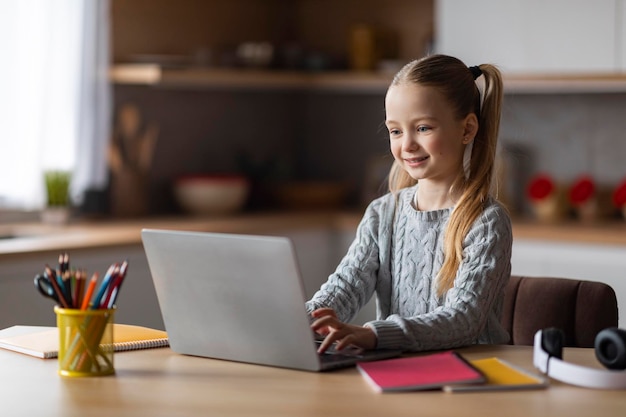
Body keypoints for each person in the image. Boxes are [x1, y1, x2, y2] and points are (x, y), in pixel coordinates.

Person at [306, 54, 512, 354]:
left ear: (467, 129)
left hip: (469, 378)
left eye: (423, 128)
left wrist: (374, 335)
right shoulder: (382, 214)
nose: (407, 145)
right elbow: (346, 286)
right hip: (398, 372)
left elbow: (464, 319)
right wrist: (305, 320)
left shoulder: (487, 221)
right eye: (396, 131)